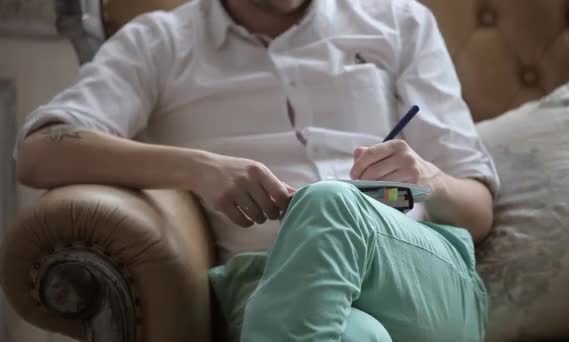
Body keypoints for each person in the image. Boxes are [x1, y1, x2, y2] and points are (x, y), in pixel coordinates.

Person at [15, 0, 499, 340]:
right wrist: (197, 168)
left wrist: (428, 180)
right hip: (265, 284)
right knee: (354, 334)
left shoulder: (399, 21)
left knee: (327, 201)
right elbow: (39, 151)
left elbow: (477, 210)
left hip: (420, 274)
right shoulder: (161, 41)